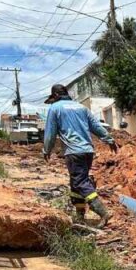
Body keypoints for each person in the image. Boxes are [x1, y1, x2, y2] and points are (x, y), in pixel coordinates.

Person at [42, 83, 119, 226]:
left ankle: (103, 212)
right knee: (75, 183)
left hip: (73, 152)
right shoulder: (82, 108)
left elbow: (50, 132)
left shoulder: (55, 109)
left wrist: (47, 150)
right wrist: (109, 140)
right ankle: (79, 216)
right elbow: (96, 126)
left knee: (80, 182)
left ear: (56, 96)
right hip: (88, 151)